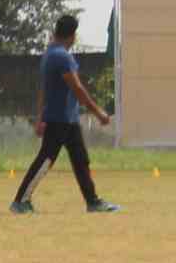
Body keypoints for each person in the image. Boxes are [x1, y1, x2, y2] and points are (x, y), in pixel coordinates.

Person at [12, 14, 118, 214]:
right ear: (72, 35)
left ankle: (93, 201)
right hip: (58, 119)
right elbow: (77, 88)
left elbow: (44, 89)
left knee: (80, 160)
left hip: (69, 120)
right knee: (46, 159)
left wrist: (39, 117)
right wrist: (98, 112)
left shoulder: (50, 54)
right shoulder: (61, 56)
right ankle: (20, 201)